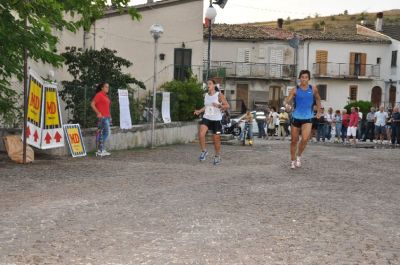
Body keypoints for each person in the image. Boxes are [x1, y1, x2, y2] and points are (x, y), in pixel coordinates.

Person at [284, 70, 321, 169]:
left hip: (308, 117)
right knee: (294, 140)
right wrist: (287, 105)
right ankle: (292, 160)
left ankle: (298, 156)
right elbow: (288, 100)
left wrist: (318, 111)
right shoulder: (295, 90)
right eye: (302, 77)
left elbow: (317, 99)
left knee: (305, 139)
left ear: (309, 79)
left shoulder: (313, 89)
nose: (304, 79)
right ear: (299, 78)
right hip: (296, 117)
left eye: (306, 77)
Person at [194, 79, 230, 165]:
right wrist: (199, 111)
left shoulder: (219, 95)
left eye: (210, 83)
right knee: (201, 134)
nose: (208, 85)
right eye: (207, 84)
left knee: (216, 139)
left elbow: (227, 106)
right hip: (207, 117)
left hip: (217, 120)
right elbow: (206, 106)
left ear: (214, 85)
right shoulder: (206, 95)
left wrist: (219, 105)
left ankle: (217, 156)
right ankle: (204, 151)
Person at [91, 83, 112, 157]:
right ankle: (100, 149)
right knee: (105, 133)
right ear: (102, 88)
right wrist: (98, 113)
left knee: (104, 133)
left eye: (108, 87)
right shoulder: (99, 95)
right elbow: (92, 104)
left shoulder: (105, 95)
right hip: (102, 117)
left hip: (107, 117)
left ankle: (101, 149)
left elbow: (106, 107)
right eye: (106, 87)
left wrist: (110, 116)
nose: (107, 88)